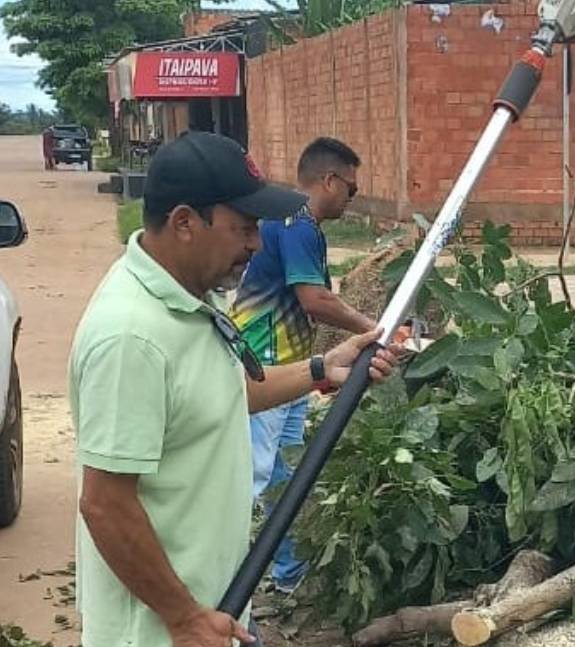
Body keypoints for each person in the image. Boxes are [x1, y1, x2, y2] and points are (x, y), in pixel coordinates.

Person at [69, 131, 408, 647]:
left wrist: (322, 368)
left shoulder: (192, 297)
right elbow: (104, 504)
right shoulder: (130, 336)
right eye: (244, 228)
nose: (255, 243)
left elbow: (226, 393)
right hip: (159, 633)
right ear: (185, 222)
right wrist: (184, 617)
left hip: (214, 612)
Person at [229, 137, 376, 593]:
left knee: (285, 479)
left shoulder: (295, 223)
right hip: (264, 363)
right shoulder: (297, 223)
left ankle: (289, 576)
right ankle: (224, 593)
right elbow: (315, 300)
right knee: (252, 479)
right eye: (351, 190)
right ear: (329, 181)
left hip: (291, 365)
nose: (352, 199)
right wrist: (374, 327)